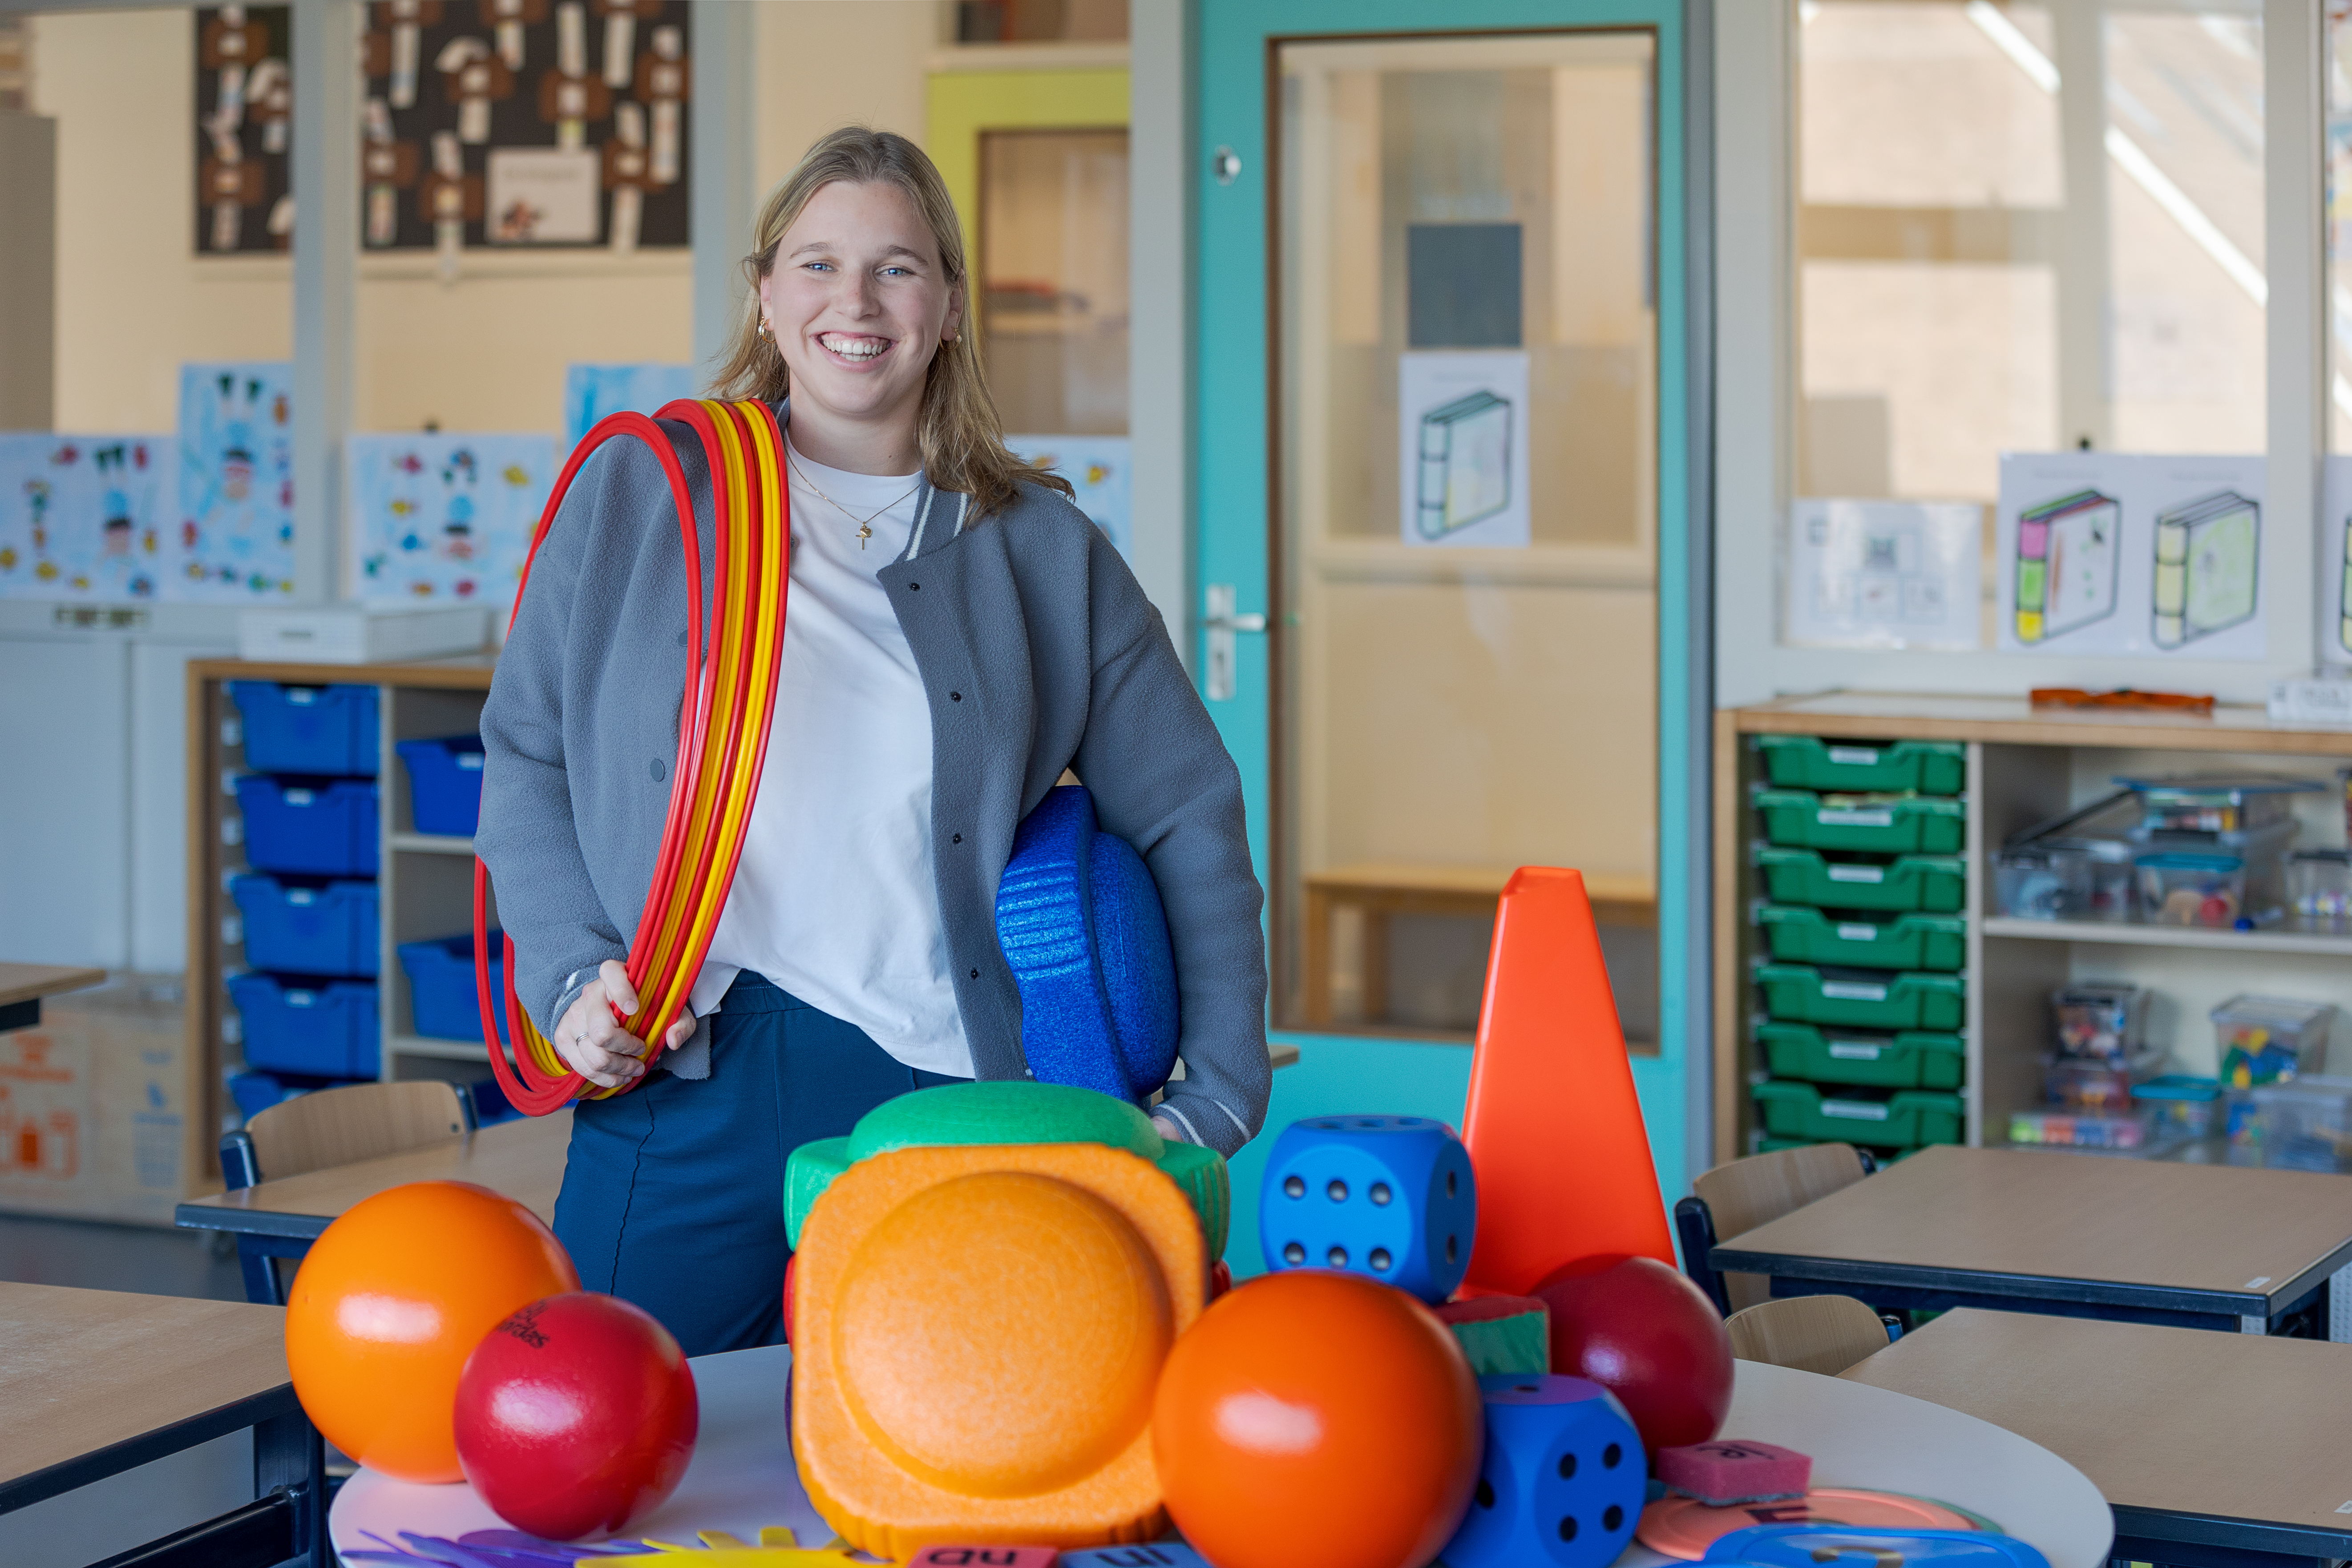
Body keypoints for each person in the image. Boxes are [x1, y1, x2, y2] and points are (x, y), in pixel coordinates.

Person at [475, 126, 1269, 1356]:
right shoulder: (642, 497)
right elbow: (528, 754)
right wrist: (577, 974)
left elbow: (1188, 811)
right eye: (817, 263)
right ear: (766, 294)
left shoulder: (1042, 551)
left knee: (945, 1467)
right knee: (619, 1465)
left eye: (897, 268)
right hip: (687, 1074)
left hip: (948, 1088)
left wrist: (1215, 1089)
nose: (856, 301)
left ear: (948, 306)